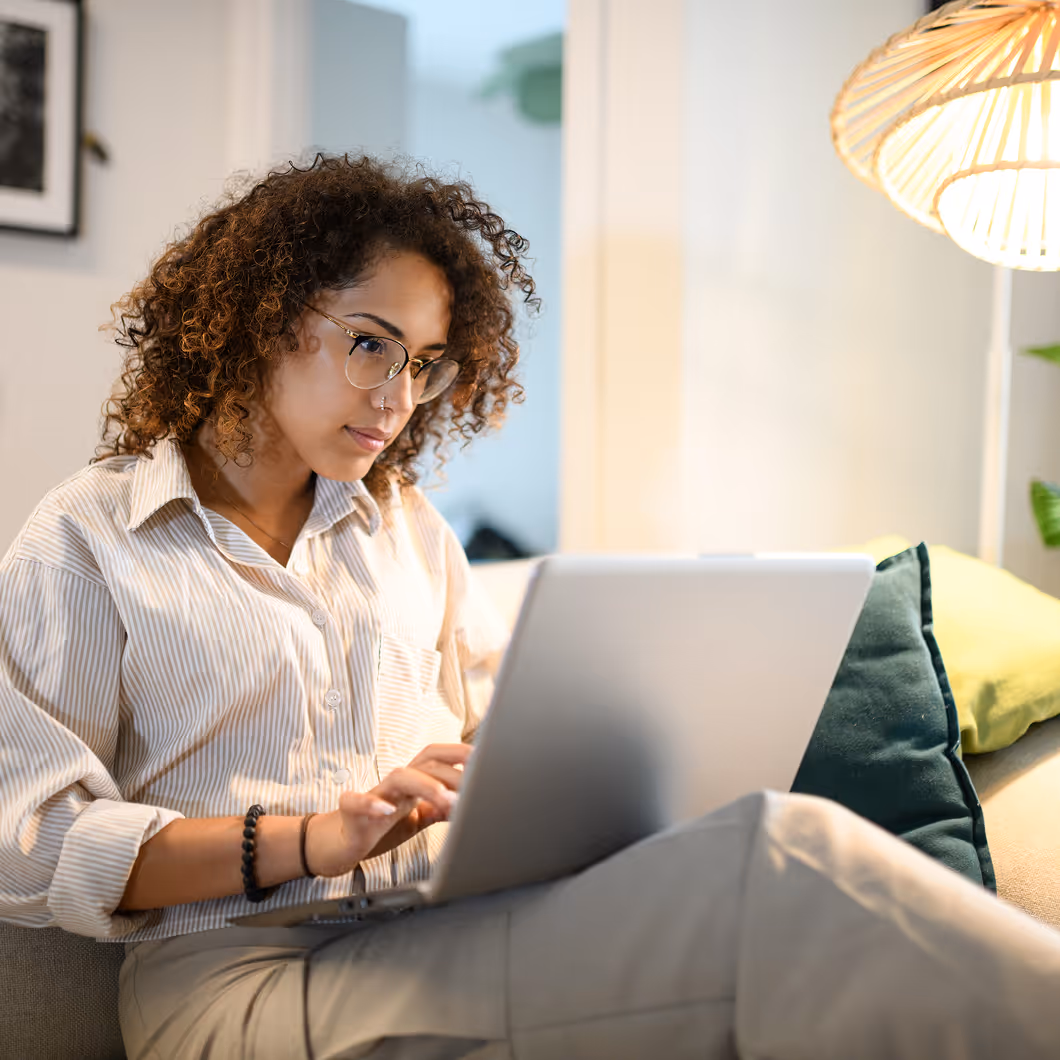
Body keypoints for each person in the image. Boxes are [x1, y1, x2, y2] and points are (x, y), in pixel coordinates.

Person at [1, 154, 1059, 1060]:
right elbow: (31, 845)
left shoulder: (403, 527)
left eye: (424, 364)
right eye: (371, 343)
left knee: (768, 843)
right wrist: (311, 838)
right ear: (259, 318)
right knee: (779, 863)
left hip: (433, 925)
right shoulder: (90, 536)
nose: (398, 399)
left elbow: (488, 739)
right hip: (231, 979)